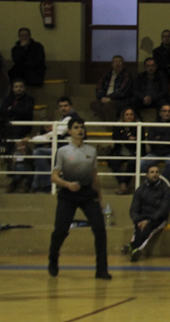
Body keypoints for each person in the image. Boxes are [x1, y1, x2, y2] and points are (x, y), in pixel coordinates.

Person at [47, 116, 111, 279]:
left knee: (100, 230)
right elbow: (54, 177)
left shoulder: (91, 151)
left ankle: (101, 269)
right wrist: (67, 184)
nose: (80, 130)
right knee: (60, 230)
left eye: (82, 127)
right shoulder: (62, 151)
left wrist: (100, 199)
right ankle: (53, 259)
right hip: (67, 195)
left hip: (87, 194)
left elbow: (94, 176)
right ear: (69, 131)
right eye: (76, 127)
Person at [27, 96, 77, 193]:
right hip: (62, 147)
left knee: (38, 152)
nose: (63, 108)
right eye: (61, 106)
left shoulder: (71, 118)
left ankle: (48, 184)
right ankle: (38, 185)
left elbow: (55, 135)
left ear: (71, 106)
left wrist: (32, 140)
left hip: (68, 149)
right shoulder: (63, 118)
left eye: (66, 106)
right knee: (39, 154)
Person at [127, 165, 170, 262]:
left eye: (156, 172)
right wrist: (138, 220)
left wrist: (149, 220)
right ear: (147, 175)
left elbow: (164, 210)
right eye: (152, 172)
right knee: (138, 228)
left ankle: (134, 247)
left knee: (148, 229)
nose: (155, 174)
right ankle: (134, 249)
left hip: (158, 219)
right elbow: (133, 209)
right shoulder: (140, 189)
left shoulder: (165, 189)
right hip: (142, 218)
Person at [1, 79, 35, 193]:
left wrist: (12, 109)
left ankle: (20, 181)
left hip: (23, 130)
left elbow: (26, 112)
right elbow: (3, 111)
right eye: (16, 87)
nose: (19, 89)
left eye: (21, 86)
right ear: (12, 88)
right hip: (8, 129)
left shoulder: (29, 99)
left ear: (24, 88)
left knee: (16, 147)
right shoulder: (7, 99)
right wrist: (15, 110)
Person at [140, 104, 170, 183]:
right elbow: (150, 140)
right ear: (160, 113)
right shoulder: (154, 124)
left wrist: (159, 138)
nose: (167, 113)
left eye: (169, 111)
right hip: (155, 152)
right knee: (141, 163)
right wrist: (166, 140)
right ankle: (150, 182)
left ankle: (160, 183)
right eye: (164, 111)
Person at [91, 55, 134, 121]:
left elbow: (123, 90)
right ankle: (106, 120)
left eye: (120, 62)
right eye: (115, 62)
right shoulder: (107, 75)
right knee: (94, 104)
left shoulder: (126, 75)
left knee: (108, 105)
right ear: (112, 64)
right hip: (105, 97)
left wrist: (110, 97)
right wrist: (102, 97)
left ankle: (112, 126)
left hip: (119, 99)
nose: (117, 64)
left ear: (123, 64)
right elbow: (99, 87)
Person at [110, 107, 138, 195]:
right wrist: (128, 138)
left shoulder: (138, 127)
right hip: (120, 152)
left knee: (133, 162)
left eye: (131, 114)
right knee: (113, 162)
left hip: (133, 153)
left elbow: (135, 143)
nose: (129, 117)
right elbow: (115, 138)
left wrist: (123, 138)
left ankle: (124, 184)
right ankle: (123, 184)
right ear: (123, 116)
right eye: (127, 114)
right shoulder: (117, 126)